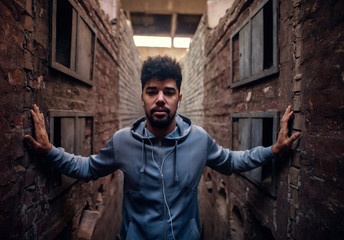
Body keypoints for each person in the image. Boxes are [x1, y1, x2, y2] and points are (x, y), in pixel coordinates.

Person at [24, 56, 300, 240]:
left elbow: (231, 161)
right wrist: (49, 151)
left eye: (168, 92)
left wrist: (273, 151)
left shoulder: (199, 139)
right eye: (152, 91)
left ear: (179, 98)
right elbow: (87, 168)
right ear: (142, 96)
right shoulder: (123, 141)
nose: (160, 99)